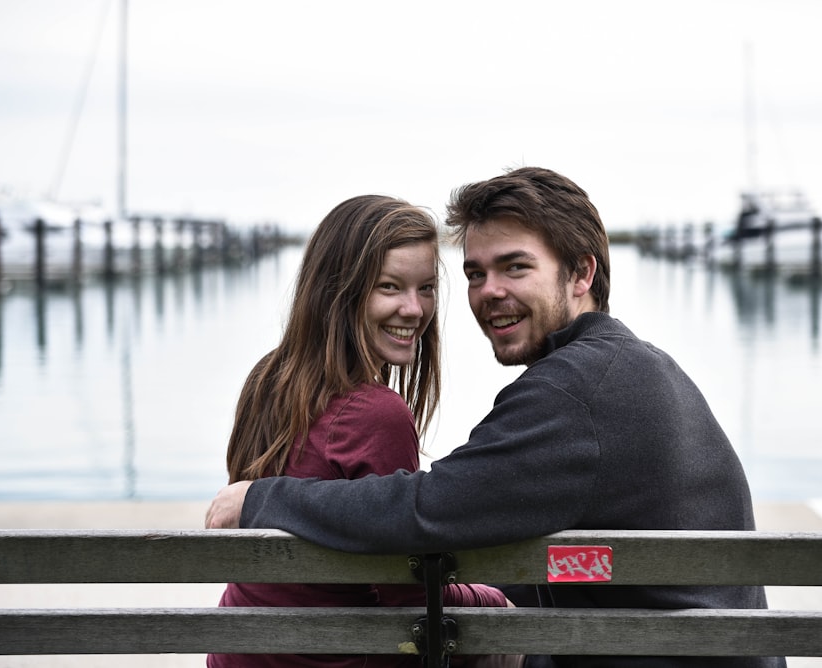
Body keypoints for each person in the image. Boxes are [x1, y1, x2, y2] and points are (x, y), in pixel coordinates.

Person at [207, 168, 786, 668]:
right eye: (476, 274)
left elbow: (427, 509)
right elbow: (587, 560)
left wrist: (264, 498)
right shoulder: (635, 367)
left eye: (514, 268)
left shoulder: (574, 392)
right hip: (688, 640)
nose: (490, 293)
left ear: (581, 274)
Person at [206, 195, 511, 668]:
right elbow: (406, 594)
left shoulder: (269, 378)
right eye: (390, 287)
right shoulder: (375, 414)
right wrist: (492, 600)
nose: (414, 309)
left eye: (426, 288)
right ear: (340, 291)